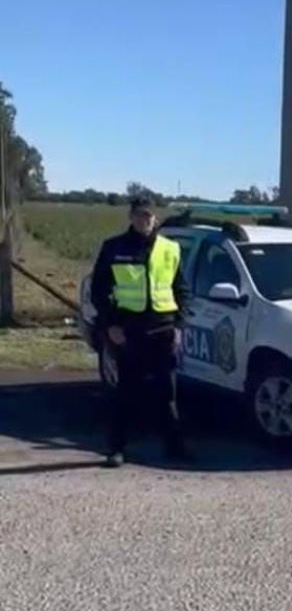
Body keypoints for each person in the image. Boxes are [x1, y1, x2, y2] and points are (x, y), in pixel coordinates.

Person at [90, 196, 192, 467]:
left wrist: (179, 326)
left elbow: (181, 290)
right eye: (138, 215)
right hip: (128, 329)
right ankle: (117, 449)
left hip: (163, 328)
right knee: (124, 392)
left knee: (167, 393)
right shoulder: (114, 247)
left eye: (147, 216)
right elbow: (99, 290)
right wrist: (110, 324)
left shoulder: (170, 248)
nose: (143, 220)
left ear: (155, 218)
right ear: (131, 217)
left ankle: (175, 447)